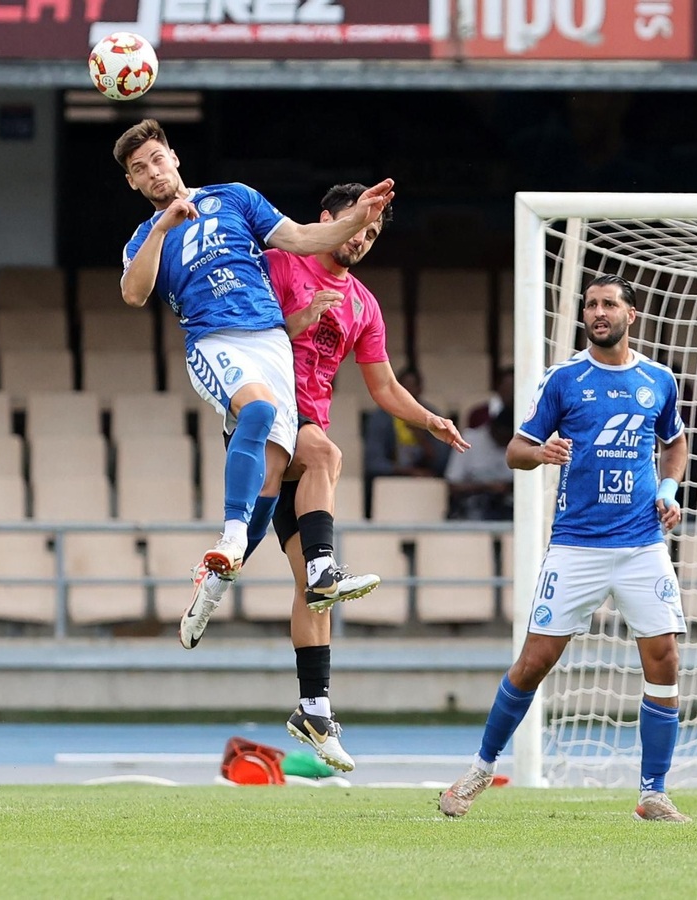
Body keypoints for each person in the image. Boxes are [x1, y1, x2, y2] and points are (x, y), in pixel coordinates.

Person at [200, 183, 468, 769]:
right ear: (327, 219)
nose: (362, 240)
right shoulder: (277, 263)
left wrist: (429, 421)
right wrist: (298, 319)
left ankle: (314, 710)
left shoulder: (364, 305)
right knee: (327, 455)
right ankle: (321, 566)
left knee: (312, 590)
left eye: (372, 235)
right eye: (356, 226)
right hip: (263, 417)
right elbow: (242, 332)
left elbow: (383, 387)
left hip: (307, 432)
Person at [114, 119, 393, 650]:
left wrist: (357, 218)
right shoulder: (142, 239)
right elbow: (134, 292)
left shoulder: (235, 198)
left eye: (156, 159)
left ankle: (218, 575)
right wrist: (161, 227)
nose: (152, 172)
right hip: (215, 342)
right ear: (133, 183)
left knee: (272, 478)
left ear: (175, 158)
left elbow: (305, 238)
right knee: (259, 413)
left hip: (270, 342)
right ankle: (231, 537)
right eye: (138, 169)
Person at [440, 274, 692, 823]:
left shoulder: (659, 380)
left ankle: (653, 792)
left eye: (608, 304)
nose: (598, 312)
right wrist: (542, 451)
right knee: (534, 663)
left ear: (632, 314)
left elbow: (674, 443)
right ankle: (481, 768)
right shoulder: (563, 381)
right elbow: (515, 450)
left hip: (642, 544)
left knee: (665, 658)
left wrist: (670, 490)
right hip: (577, 545)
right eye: (590, 305)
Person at [364, 368, 451, 488]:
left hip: (426, 481)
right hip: (391, 482)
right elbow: (374, 464)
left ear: (420, 390)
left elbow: (444, 463)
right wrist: (408, 472)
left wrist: (423, 439)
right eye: (404, 388)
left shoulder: (432, 416)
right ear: (396, 388)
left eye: (412, 388)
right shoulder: (381, 417)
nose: (408, 393)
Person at [445, 404, 514, 521]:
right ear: (492, 428)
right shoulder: (469, 440)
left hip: (510, 508)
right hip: (473, 506)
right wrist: (487, 487)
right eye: (502, 437)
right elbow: (452, 486)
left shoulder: (521, 445)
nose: (504, 442)